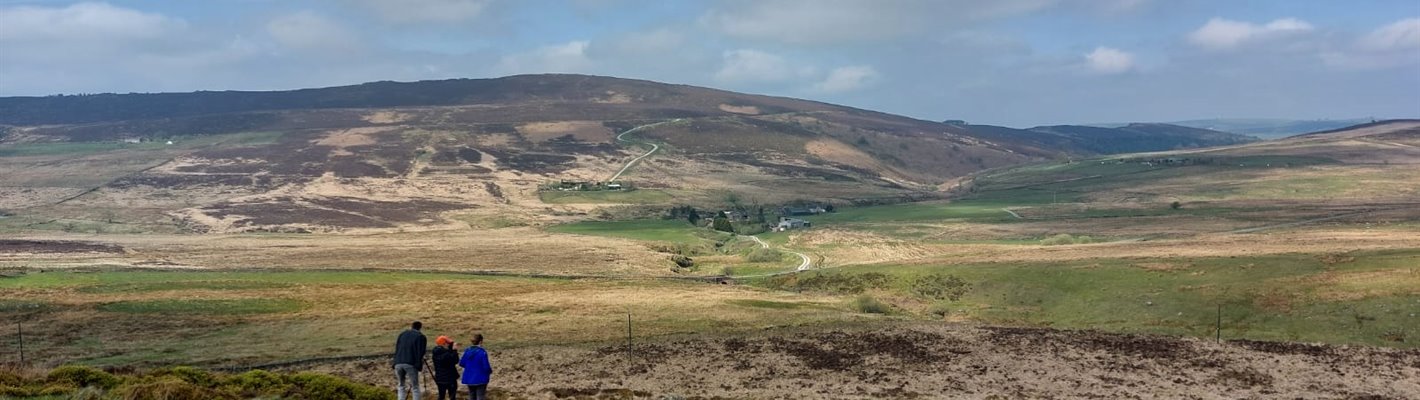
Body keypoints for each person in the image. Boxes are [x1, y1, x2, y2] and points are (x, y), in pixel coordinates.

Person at [392, 321, 427, 400]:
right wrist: (419, 365)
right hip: (411, 363)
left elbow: (397, 348)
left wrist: (395, 362)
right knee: (415, 386)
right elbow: (421, 352)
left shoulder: (402, 335)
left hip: (398, 362)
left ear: (411, 326)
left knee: (401, 385)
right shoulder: (420, 337)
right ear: (420, 328)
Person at [459, 334, 493, 400]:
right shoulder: (482, 352)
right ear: (480, 342)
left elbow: (462, 363)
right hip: (481, 378)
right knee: (480, 396)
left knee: (471, 395)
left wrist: (469, 367)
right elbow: (486, 366)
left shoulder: (467, 351)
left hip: (469, 378)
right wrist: (489, 371)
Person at [432, 336, 460, 400]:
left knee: (441, 396)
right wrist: (454, 350)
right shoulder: (446, 354)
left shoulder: (436, 352)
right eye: (448, 343)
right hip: (450, 378)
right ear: (444, 344)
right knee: (452, 397)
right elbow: (455, 360)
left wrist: (451, 349)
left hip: (440, 378)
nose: (449, 344)